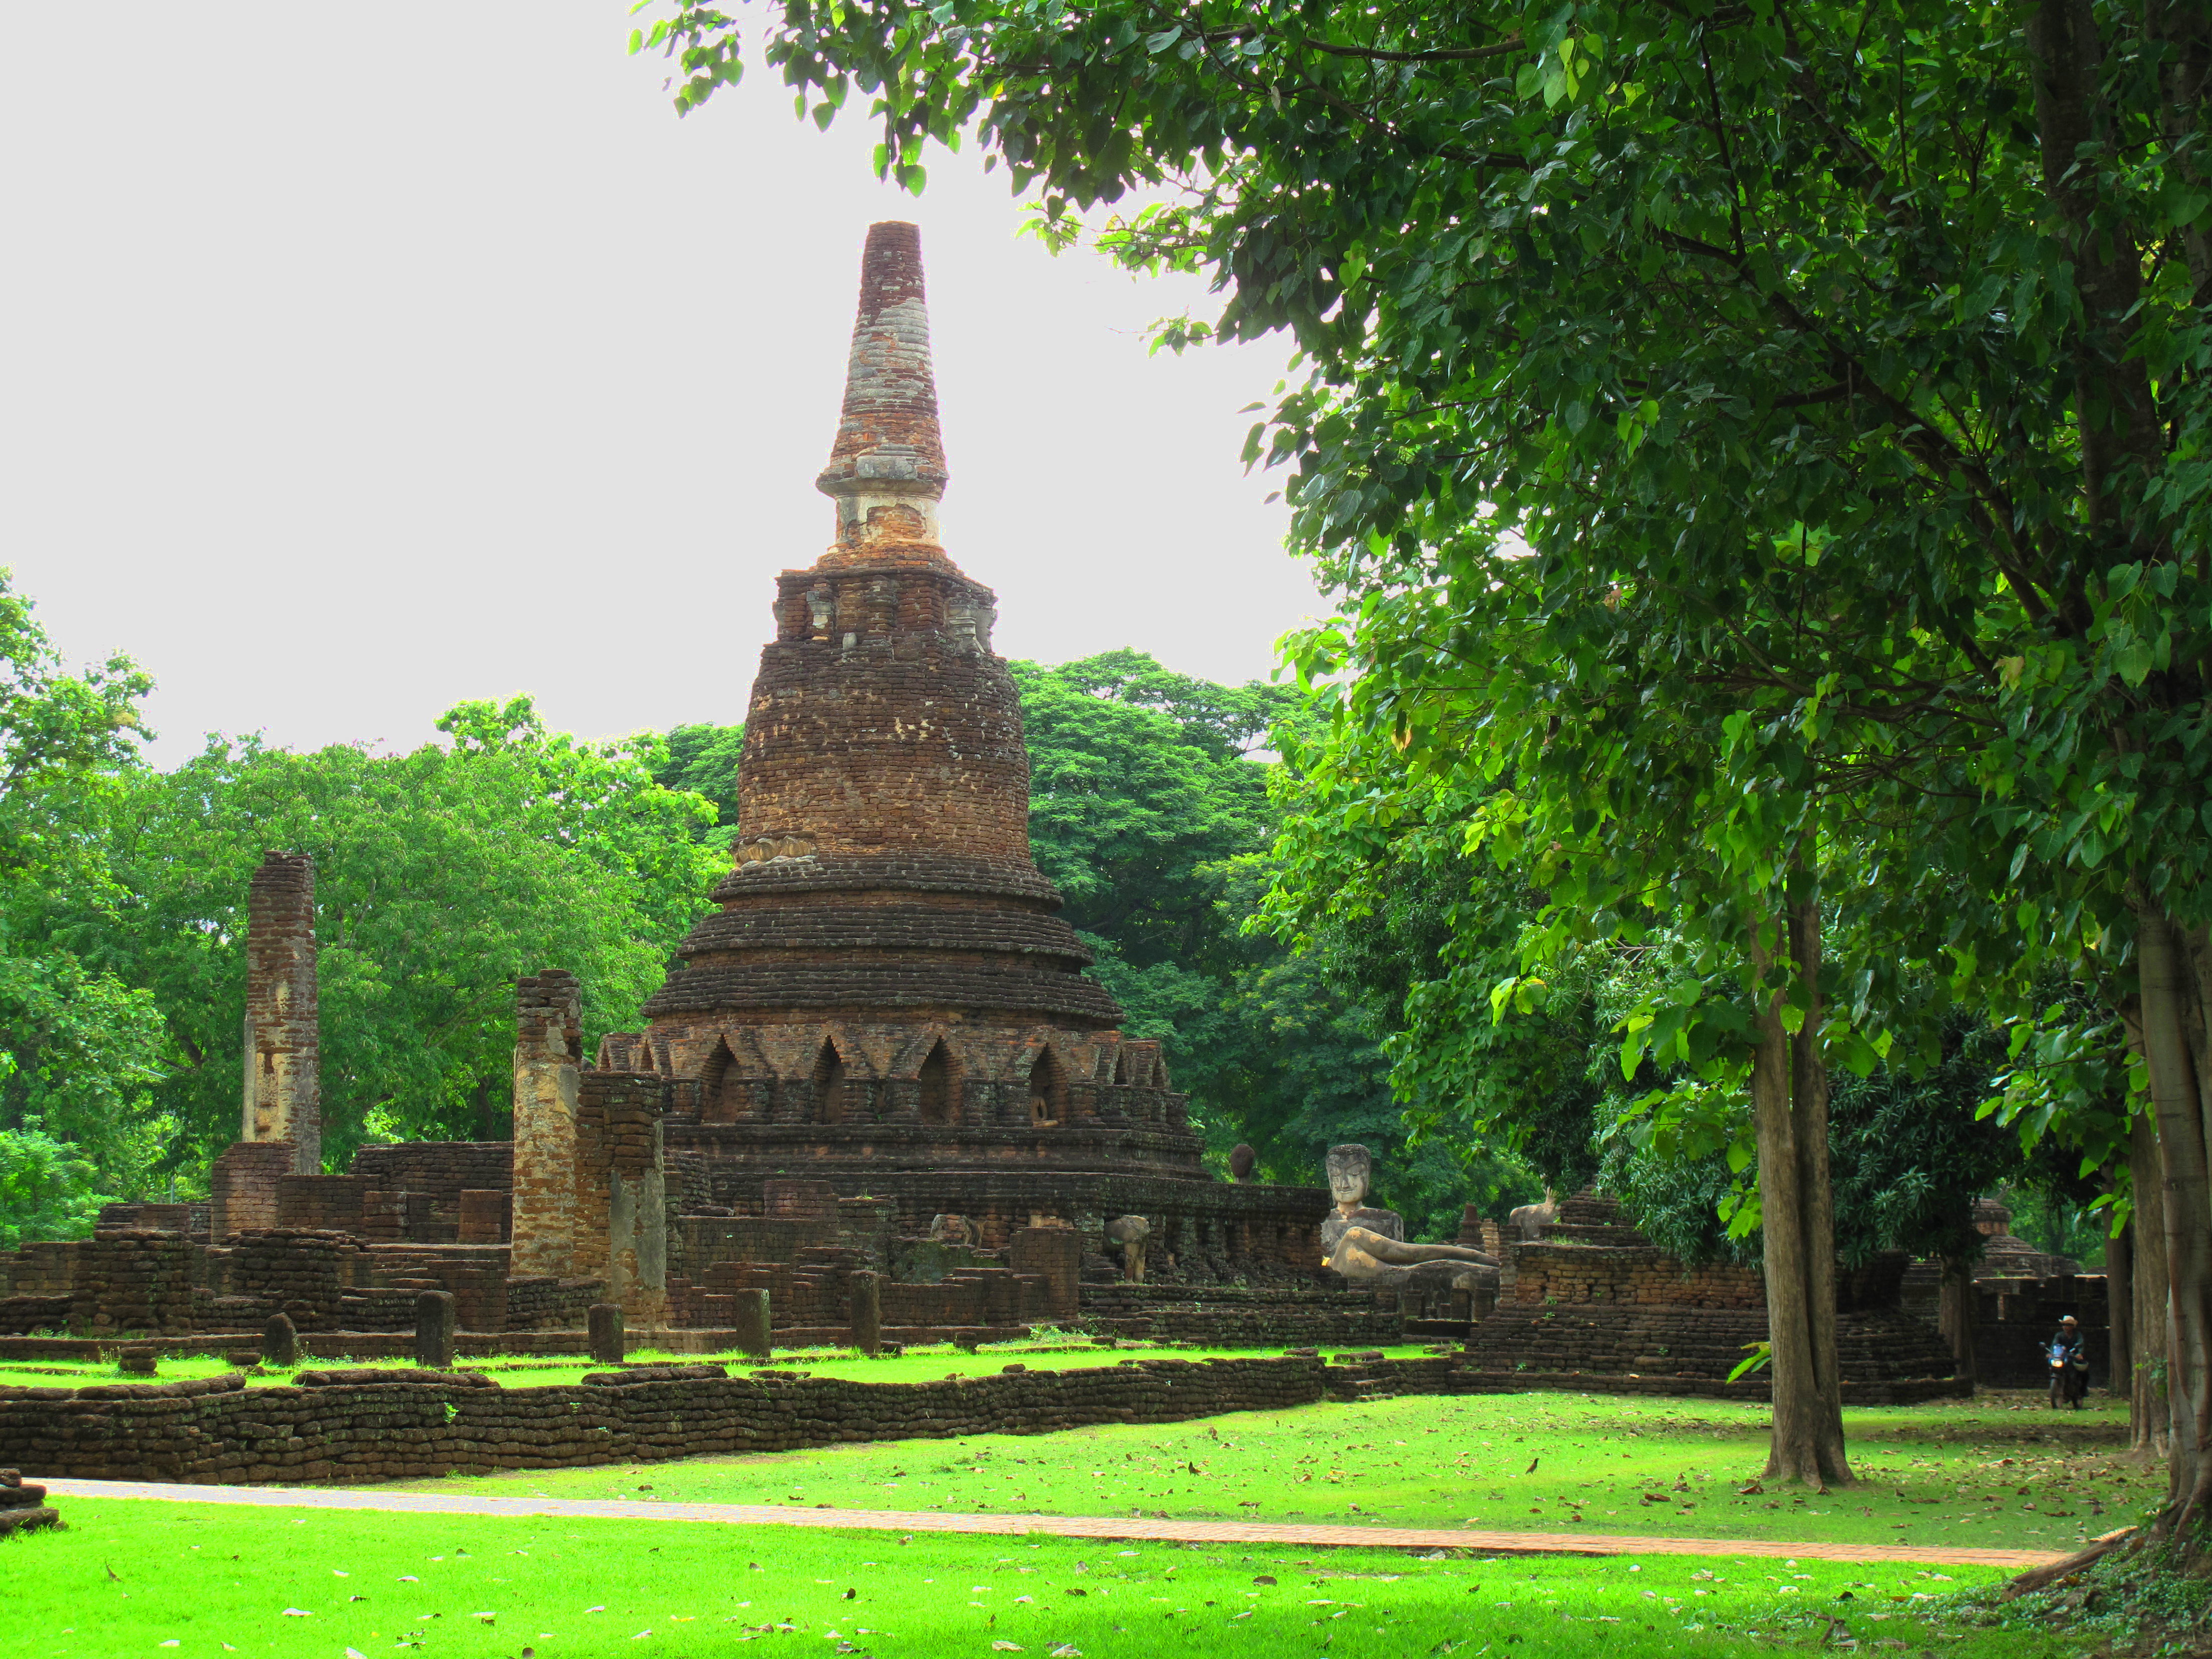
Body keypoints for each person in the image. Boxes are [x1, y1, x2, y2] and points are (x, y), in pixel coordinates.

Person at [2049, 1314, 2090, 1409]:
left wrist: (2079, 1353)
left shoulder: (2078, 1335)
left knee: (2080, 1374)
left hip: (2073, 1358)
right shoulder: (2059, 1336)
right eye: (2064, 1325)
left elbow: (2081, 1345)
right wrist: (2051, 1353)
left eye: (2067, 1325)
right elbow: (2054, 1346)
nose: (2065, 1327)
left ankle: (2080, 1392)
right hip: (2061, 1359)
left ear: (2072, 1326)